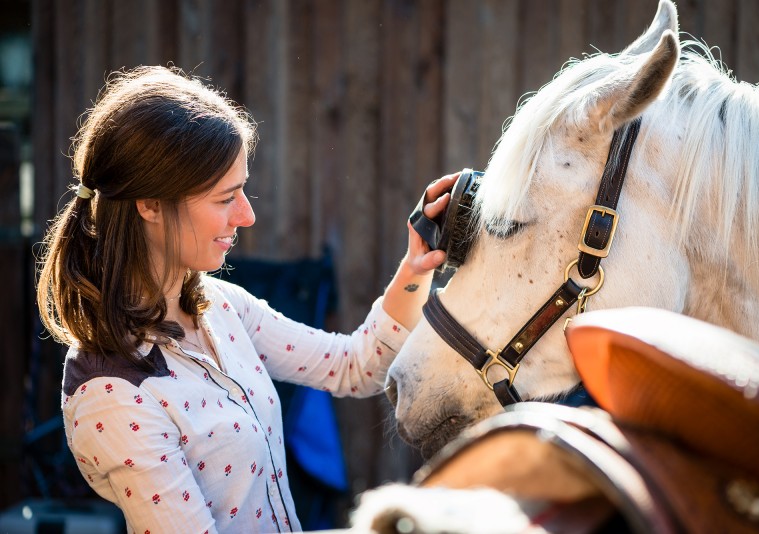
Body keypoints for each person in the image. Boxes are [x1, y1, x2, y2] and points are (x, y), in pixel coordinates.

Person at [36, 65, 458, 533]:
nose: (248, 215)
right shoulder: (112, 395)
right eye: (224, 199)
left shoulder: (220, 306)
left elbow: (355, 366)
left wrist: (416, 266)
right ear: (149, 205)